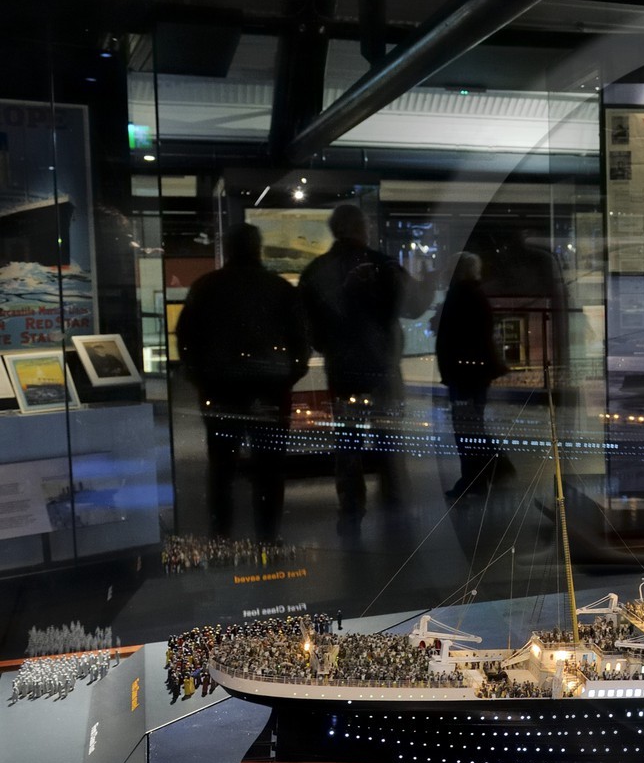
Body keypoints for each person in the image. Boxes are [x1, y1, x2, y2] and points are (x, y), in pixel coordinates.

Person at [298, 204, 434, 532]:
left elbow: (307, 326)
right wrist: (429, 281)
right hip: (383, 369)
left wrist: (329, 344)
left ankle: (350, 509)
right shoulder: (382, 265)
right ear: (362, 228)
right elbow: (414, 306)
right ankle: (395, 504)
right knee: (390, 440)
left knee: (347, 443)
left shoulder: (316, 270)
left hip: (343, 371)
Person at [176, 223, 310, 543]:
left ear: (229, 248)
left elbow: (186, 339)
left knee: (222, 468)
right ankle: (267, 535)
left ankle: (221, 535)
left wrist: (200, 378)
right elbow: (301, 341)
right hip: (270, 391)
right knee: (269, 470)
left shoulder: (207, 287)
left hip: (221, 389)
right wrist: (287, 377)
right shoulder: (279, 288)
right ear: (258, 247)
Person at [435, 252, 511, 499]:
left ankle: (481, 475)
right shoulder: (474, 295)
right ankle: (486, 474)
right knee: (472, 426)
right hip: (473, 373)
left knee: (466, 428)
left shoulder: (460, 295)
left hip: (464, 373)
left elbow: (450, 336)